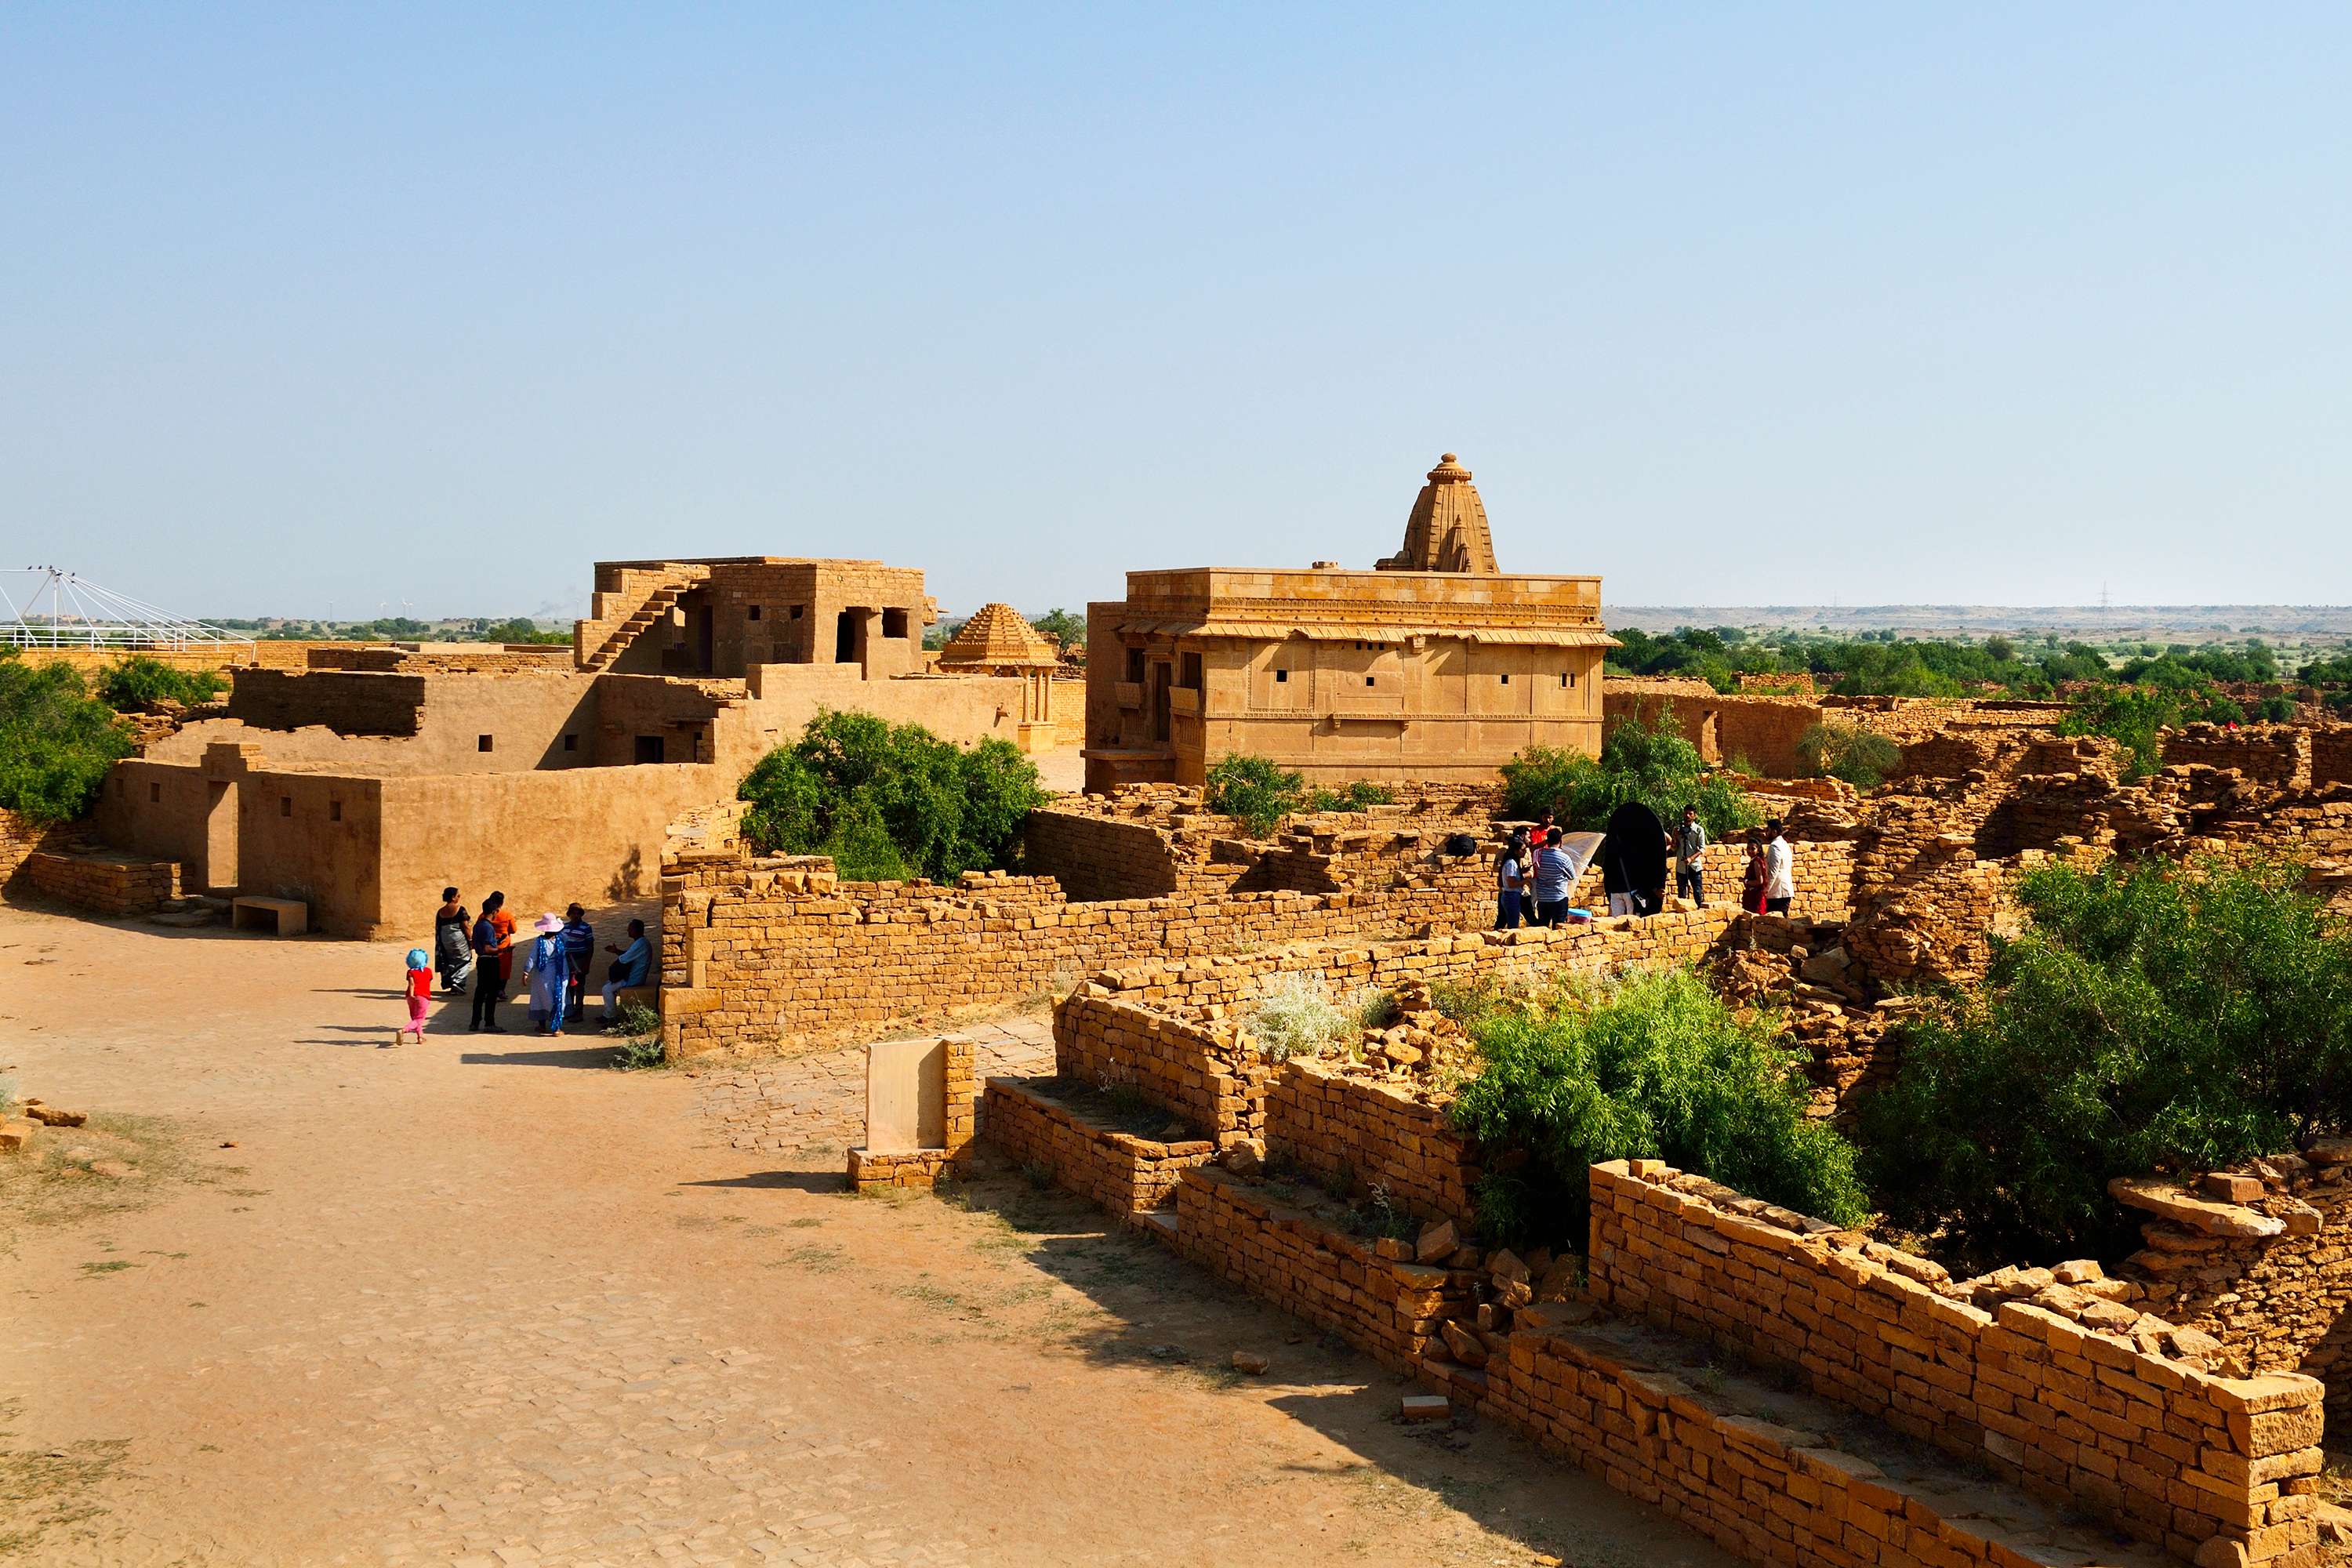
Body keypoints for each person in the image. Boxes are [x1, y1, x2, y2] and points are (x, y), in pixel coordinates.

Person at [601, 918, 654, 1027]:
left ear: (636, 930)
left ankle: (611, 1017)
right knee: (608, 985)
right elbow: (628, 955)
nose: (628, 931)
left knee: (607, 989)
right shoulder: (641, 942)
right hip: (633, 975)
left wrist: (614, 970)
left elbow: (623, 959)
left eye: (630, 929)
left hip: (634, 979)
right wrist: (616, 951)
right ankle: (608, 1014)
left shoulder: (640, 944)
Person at [522, 913, 569, 1033]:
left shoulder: (540, 942)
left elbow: (532, 958)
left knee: (541, 998)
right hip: (560, 973)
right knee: (559, 998)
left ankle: (542, 1026)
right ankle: (557, 1028)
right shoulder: (561, 939)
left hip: (543, 975)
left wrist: (526, 972)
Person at [469, 891, 509, 1033]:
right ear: (494, 911)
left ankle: (475, 1022)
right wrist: (501, 951)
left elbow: (477, 945)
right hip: (490, 962)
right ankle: (489, 1023)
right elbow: (487, 948)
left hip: (481, 961)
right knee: (492, 993)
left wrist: (496, 943)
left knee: (480, 992)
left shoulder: (478, 925)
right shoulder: (488, 927)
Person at [1532, 827, 1575, 927]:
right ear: (1560, 842)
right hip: (1558, 897)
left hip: (1542, 898)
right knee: (1559, 928)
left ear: (1547, 841)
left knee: (1542, 928)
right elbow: (1572, 876)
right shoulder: (1564, 858)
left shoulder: (1537, 854)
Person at [433, 887, 474, 995]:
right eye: (458, 895)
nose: (459, 897)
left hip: (445, 939)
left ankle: (451, 982)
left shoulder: (440, 911)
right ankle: (458, 983)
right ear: (453, 897)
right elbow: (465, 926)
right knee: (466, 960)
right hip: (458, 939)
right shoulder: (460, 909)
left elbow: (439, 927)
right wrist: (470, 940)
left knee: (451, 960)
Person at [561, 903, 595, 1022]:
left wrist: (587, 964)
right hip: (567, 960)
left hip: (580, 960)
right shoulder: (564, 927)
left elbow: (590, 946)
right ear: (569, 914)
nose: (575, 915)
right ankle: (570, 1011)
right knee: (568, 986)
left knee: (579, 987)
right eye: (573, 913)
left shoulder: (586, 927)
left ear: (581, 914)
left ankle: (579, 1012)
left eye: (578, 913)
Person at [1494, 829, 1528, 930]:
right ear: (1516, 851)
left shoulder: (1510, 862)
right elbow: (1511, 883)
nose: (1525, 852)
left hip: (1510, 896)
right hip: (1511, 896)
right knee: (1513, 927)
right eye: (1523, 850)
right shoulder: (1511, 863)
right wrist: (1525, 881)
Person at [1674, 805, 1708, 906]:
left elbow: (1702, 848)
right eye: (1686, 813)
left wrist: (1691, 858)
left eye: (1690, 814)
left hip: (1695, 866)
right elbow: (1674, 848)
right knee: (1682, 895)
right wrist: (1675, 837)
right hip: (1681, 867)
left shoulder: (1699, 830)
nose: (1687, 816)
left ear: (1695, 816)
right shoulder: (1678, 829)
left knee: (1697, 892)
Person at [397, 947, 430, 1046]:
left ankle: (420, 1037)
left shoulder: (410, 972)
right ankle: (404, 1030)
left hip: (410, 997)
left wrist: (411, 995)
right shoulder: (428, 971)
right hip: (423, 997)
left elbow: (411, 983)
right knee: (419, 1018)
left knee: (415, 1018)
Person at [1763, 818, 1795, 916]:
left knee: (1774, 925)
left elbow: (1773, 871)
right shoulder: (1784, 844)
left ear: (1774, 831)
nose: (1766, 833)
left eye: (1768, 830)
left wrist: (1766, 889)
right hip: (1784, 890)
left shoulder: (1775, 846)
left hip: (1777, 892)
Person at [1741, 841, 1769, 914]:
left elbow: (1759, 881)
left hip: (1755, 897)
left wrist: (1746, 881)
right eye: (1748, 848)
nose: (1750, 851)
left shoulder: (1756, 862)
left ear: (1758, 850)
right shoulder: (1756, 860)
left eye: (1753, 849)